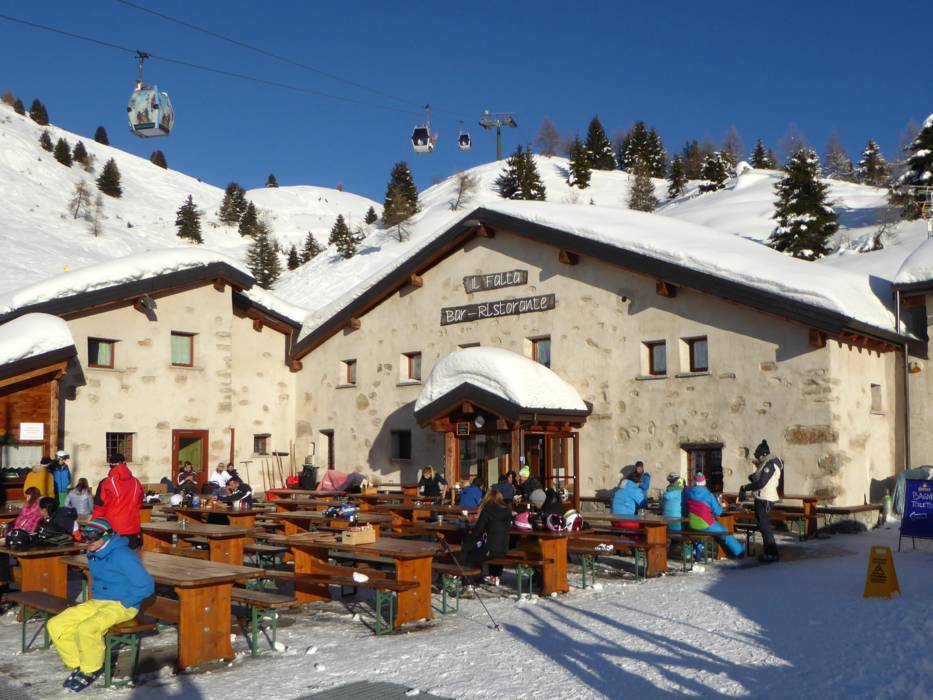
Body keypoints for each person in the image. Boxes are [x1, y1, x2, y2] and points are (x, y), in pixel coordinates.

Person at [47, 518, 154, 692]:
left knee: (87, 628)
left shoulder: (122, 555)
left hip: (122, 605)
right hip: (99, 602)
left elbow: (146, 585)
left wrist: (126, 603)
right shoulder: (95, 552)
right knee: (56, 624)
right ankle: (80, 664)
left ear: (106, 536)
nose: (88, 541)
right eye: (85, 536)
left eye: (93, 537)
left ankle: (91, 669)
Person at [456, 486, 513, 587]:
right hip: (504, 548)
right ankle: (492, 575)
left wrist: (469, 539)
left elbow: (478, 531)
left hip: (490, 549)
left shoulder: (488, 509)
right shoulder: (507, 510)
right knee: (477, 548)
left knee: (467, 551)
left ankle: (467, 583)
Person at [741, 439, 783, 563]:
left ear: (764, 454)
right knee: (763, 526)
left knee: (765, 527)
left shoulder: (770, 464)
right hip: (762, 497)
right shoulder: (766, 463)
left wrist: (746, 487)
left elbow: (762, 483)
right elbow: (759, 478)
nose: (758, 459)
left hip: (765, 498)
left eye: (759, 456)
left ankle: (772, 554)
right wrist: (752, 477)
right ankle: (769, 552)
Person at [683, 474, 744, 558]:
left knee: (700, 533)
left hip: (692, 524)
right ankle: (739, 552)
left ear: (694, 482)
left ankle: (697, 553)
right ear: (704, 482)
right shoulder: (708, 495)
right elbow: (718, 512)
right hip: (705, 523)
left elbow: (685, 508)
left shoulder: (688, 494)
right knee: (725, 531)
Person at [91, 453, 144, 550]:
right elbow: (139, 503)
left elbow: (99, 508)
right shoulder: (136, 482)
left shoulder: (106, 483)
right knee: (133, 557)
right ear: (125, 463)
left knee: (112, 557)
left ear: (110, 466)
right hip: (133, 529)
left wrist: (93, 527)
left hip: (113, 530)